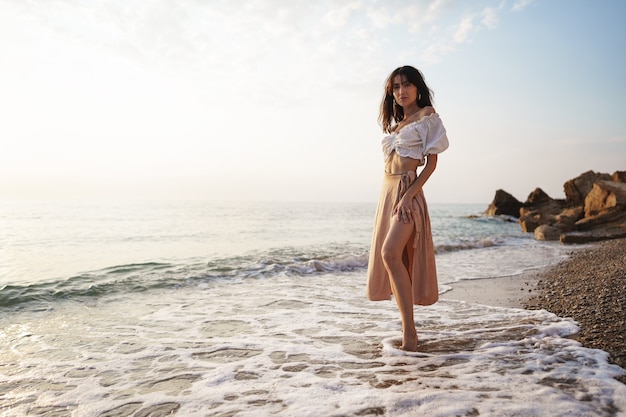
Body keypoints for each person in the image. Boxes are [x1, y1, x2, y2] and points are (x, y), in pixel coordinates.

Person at [366, 65, 449, 351]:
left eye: (407, 85)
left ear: (417, 87)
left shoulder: (428, 118)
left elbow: (432, 165)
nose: (402, 91)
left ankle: (410, 334)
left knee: (389, 253)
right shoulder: (395, 127)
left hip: (407, 191)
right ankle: (407, 330)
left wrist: (409, 195)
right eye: (396, 87)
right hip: (387, 192)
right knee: (392, 255)